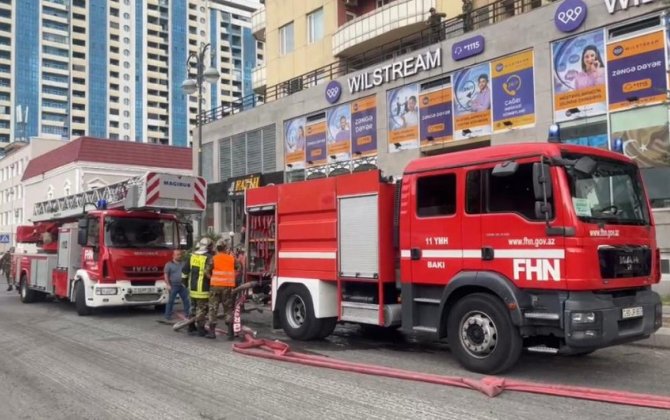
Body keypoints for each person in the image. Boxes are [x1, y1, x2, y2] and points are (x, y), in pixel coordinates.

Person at [181, 237, 215, 337]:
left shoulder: (191, 256)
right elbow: (210, 273)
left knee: (193, 307)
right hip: (204, 288)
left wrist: (185, 283)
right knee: (202, 309)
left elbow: (184, 272)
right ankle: (201, 329)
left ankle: (191, 327)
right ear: (209, 247)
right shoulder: (209, 257)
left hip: (192, 288)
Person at [207, 241, 239, 339]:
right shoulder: (232, 258)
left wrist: (212, 279)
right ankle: (230, 333)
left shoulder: (214, 258)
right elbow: (239, 268)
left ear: (217, 248)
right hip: (228, 287)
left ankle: (212, 333)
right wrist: (233, 277)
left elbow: (206, 271)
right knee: (228, 309)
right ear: (225, 248)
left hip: (215, 286)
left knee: (213, 308)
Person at [163, 250, 190, 321]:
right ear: (173, 255)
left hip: (182, 285)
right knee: (171, 301)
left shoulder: (184, 264)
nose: (179, 256)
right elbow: (166, 275)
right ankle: (167, 315)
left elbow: (187, 273)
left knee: (186, 300)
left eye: (180, 254)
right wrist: (168, 285)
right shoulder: (168, 264)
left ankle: (187, 314)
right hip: (173, 285)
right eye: (177, 254)